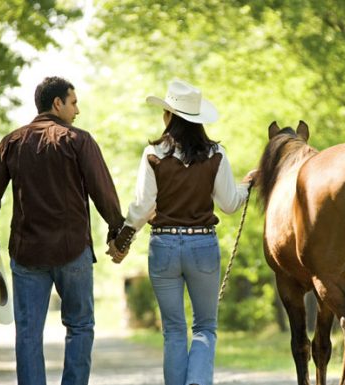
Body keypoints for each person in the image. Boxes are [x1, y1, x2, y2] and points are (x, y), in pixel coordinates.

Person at [0, 76, 124, 385]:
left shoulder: (12, 142)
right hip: (73, 251)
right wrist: (116, 230)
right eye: (73, 102)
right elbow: (103, 190)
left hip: (27, 252)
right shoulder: (79, 140)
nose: (77, 110)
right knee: (80, 326)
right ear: (57, 103)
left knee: (28, 332)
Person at [108, 79, 255, 385]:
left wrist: (123, 239)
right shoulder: (216, 154)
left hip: (163, 246)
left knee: (174, 330)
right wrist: (247, 185)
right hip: (202, 245)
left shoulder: (152, 154)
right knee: (204, 327)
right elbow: (229, 204)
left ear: (169, 117)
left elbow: (142, 206)